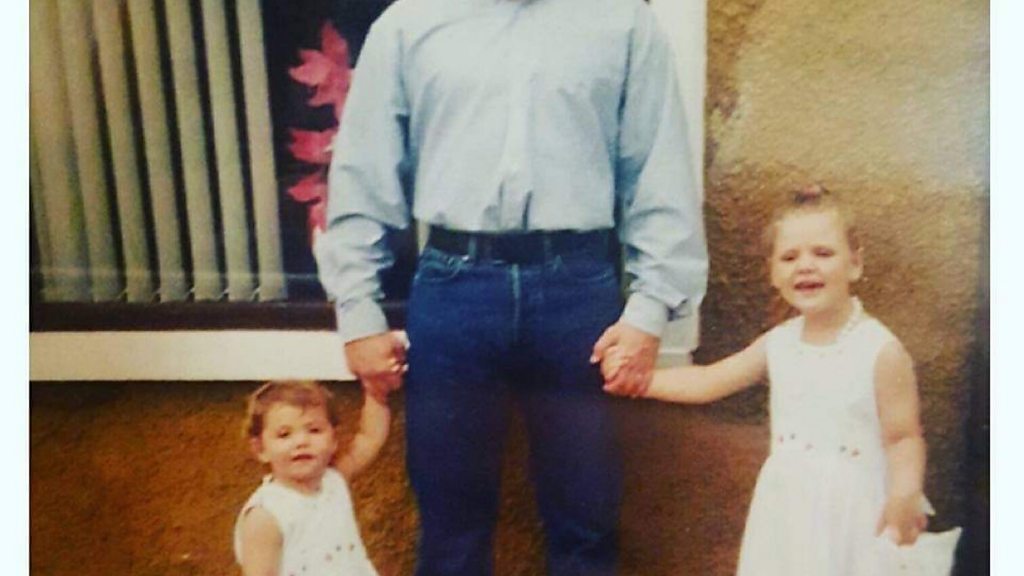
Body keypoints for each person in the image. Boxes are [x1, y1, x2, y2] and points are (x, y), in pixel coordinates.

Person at [316, 0, 708, 573]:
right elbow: (364, 173)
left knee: (587, 517)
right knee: (450, 524)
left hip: (579, 295)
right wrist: (358, 312)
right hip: (454, 292)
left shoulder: (622, 21)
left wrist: (649, 311)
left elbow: (658, 170)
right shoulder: (409, 24)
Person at [602, 185, 931, 575]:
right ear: (774, 273)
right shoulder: (780, 343)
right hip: (788, 508)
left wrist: (905, 493)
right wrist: (640, 380)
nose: (805, 266)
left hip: (852, 511)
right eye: (789, 257)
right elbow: (709, 381)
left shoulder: (879, 350)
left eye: (823, 253)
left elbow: (902, 437)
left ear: (855, 264)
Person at [233, 381, 390, 576]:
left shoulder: (333, 480)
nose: (302, 441)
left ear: (333, 440)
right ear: (260, 449)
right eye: (284, 435)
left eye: (314, 430)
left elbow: (369, 438)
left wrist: (376, 393)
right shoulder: (265, 515)